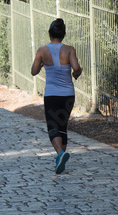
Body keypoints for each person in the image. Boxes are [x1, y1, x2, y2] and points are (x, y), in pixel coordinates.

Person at [31, 18, 82, 174]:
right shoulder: (70, 50)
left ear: (49, 34)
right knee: (62, 126)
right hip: (68, 94)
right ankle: (61, 158)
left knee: (52, 126)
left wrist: (42, 63)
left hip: (52, 94)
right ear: (63, 34)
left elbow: (33, 71)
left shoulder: (42, 51)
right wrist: (76, 73)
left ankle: (60, 154)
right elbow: (76, 69)